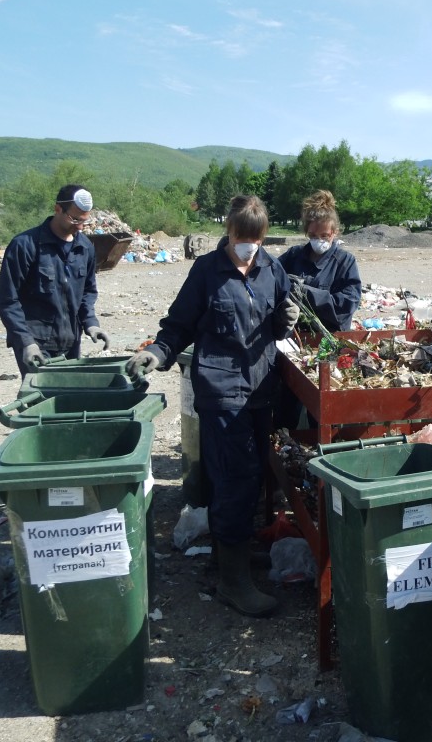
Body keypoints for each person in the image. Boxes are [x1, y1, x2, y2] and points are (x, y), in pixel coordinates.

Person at [125, 195, 299, 617]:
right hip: (221, 390)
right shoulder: (207, 271)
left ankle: (231, 552)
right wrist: (157, 353)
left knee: (254, 472)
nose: (249, 247)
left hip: (261, 389)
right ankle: (233, 582)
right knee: (235, 478)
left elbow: (274, 321)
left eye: (256, 239)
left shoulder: (271, 268)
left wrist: (285, 320)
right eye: (242, 238)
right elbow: (180, 325)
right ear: (229, 232)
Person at [0, 184, 111, 377]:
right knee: (41, 399)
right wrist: (25, 342)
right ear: (58, 209)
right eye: (75, 219)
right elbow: (8, 299)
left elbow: (87, 292)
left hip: (71, 341)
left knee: (69, 398)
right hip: (37, 343)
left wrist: (90, 323)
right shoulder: (25, 246)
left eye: (84, 221)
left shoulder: (85, 247)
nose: (80, 227)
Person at [276, 189, 361, 332]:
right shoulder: (293, 255)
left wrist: (304, 292)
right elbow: (271, 277)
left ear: (335, 232)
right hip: (294, 336)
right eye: (313, 235)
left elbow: (346, 306)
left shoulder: (345, 262)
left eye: (325, 235)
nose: (319, 240)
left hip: (328, 339)